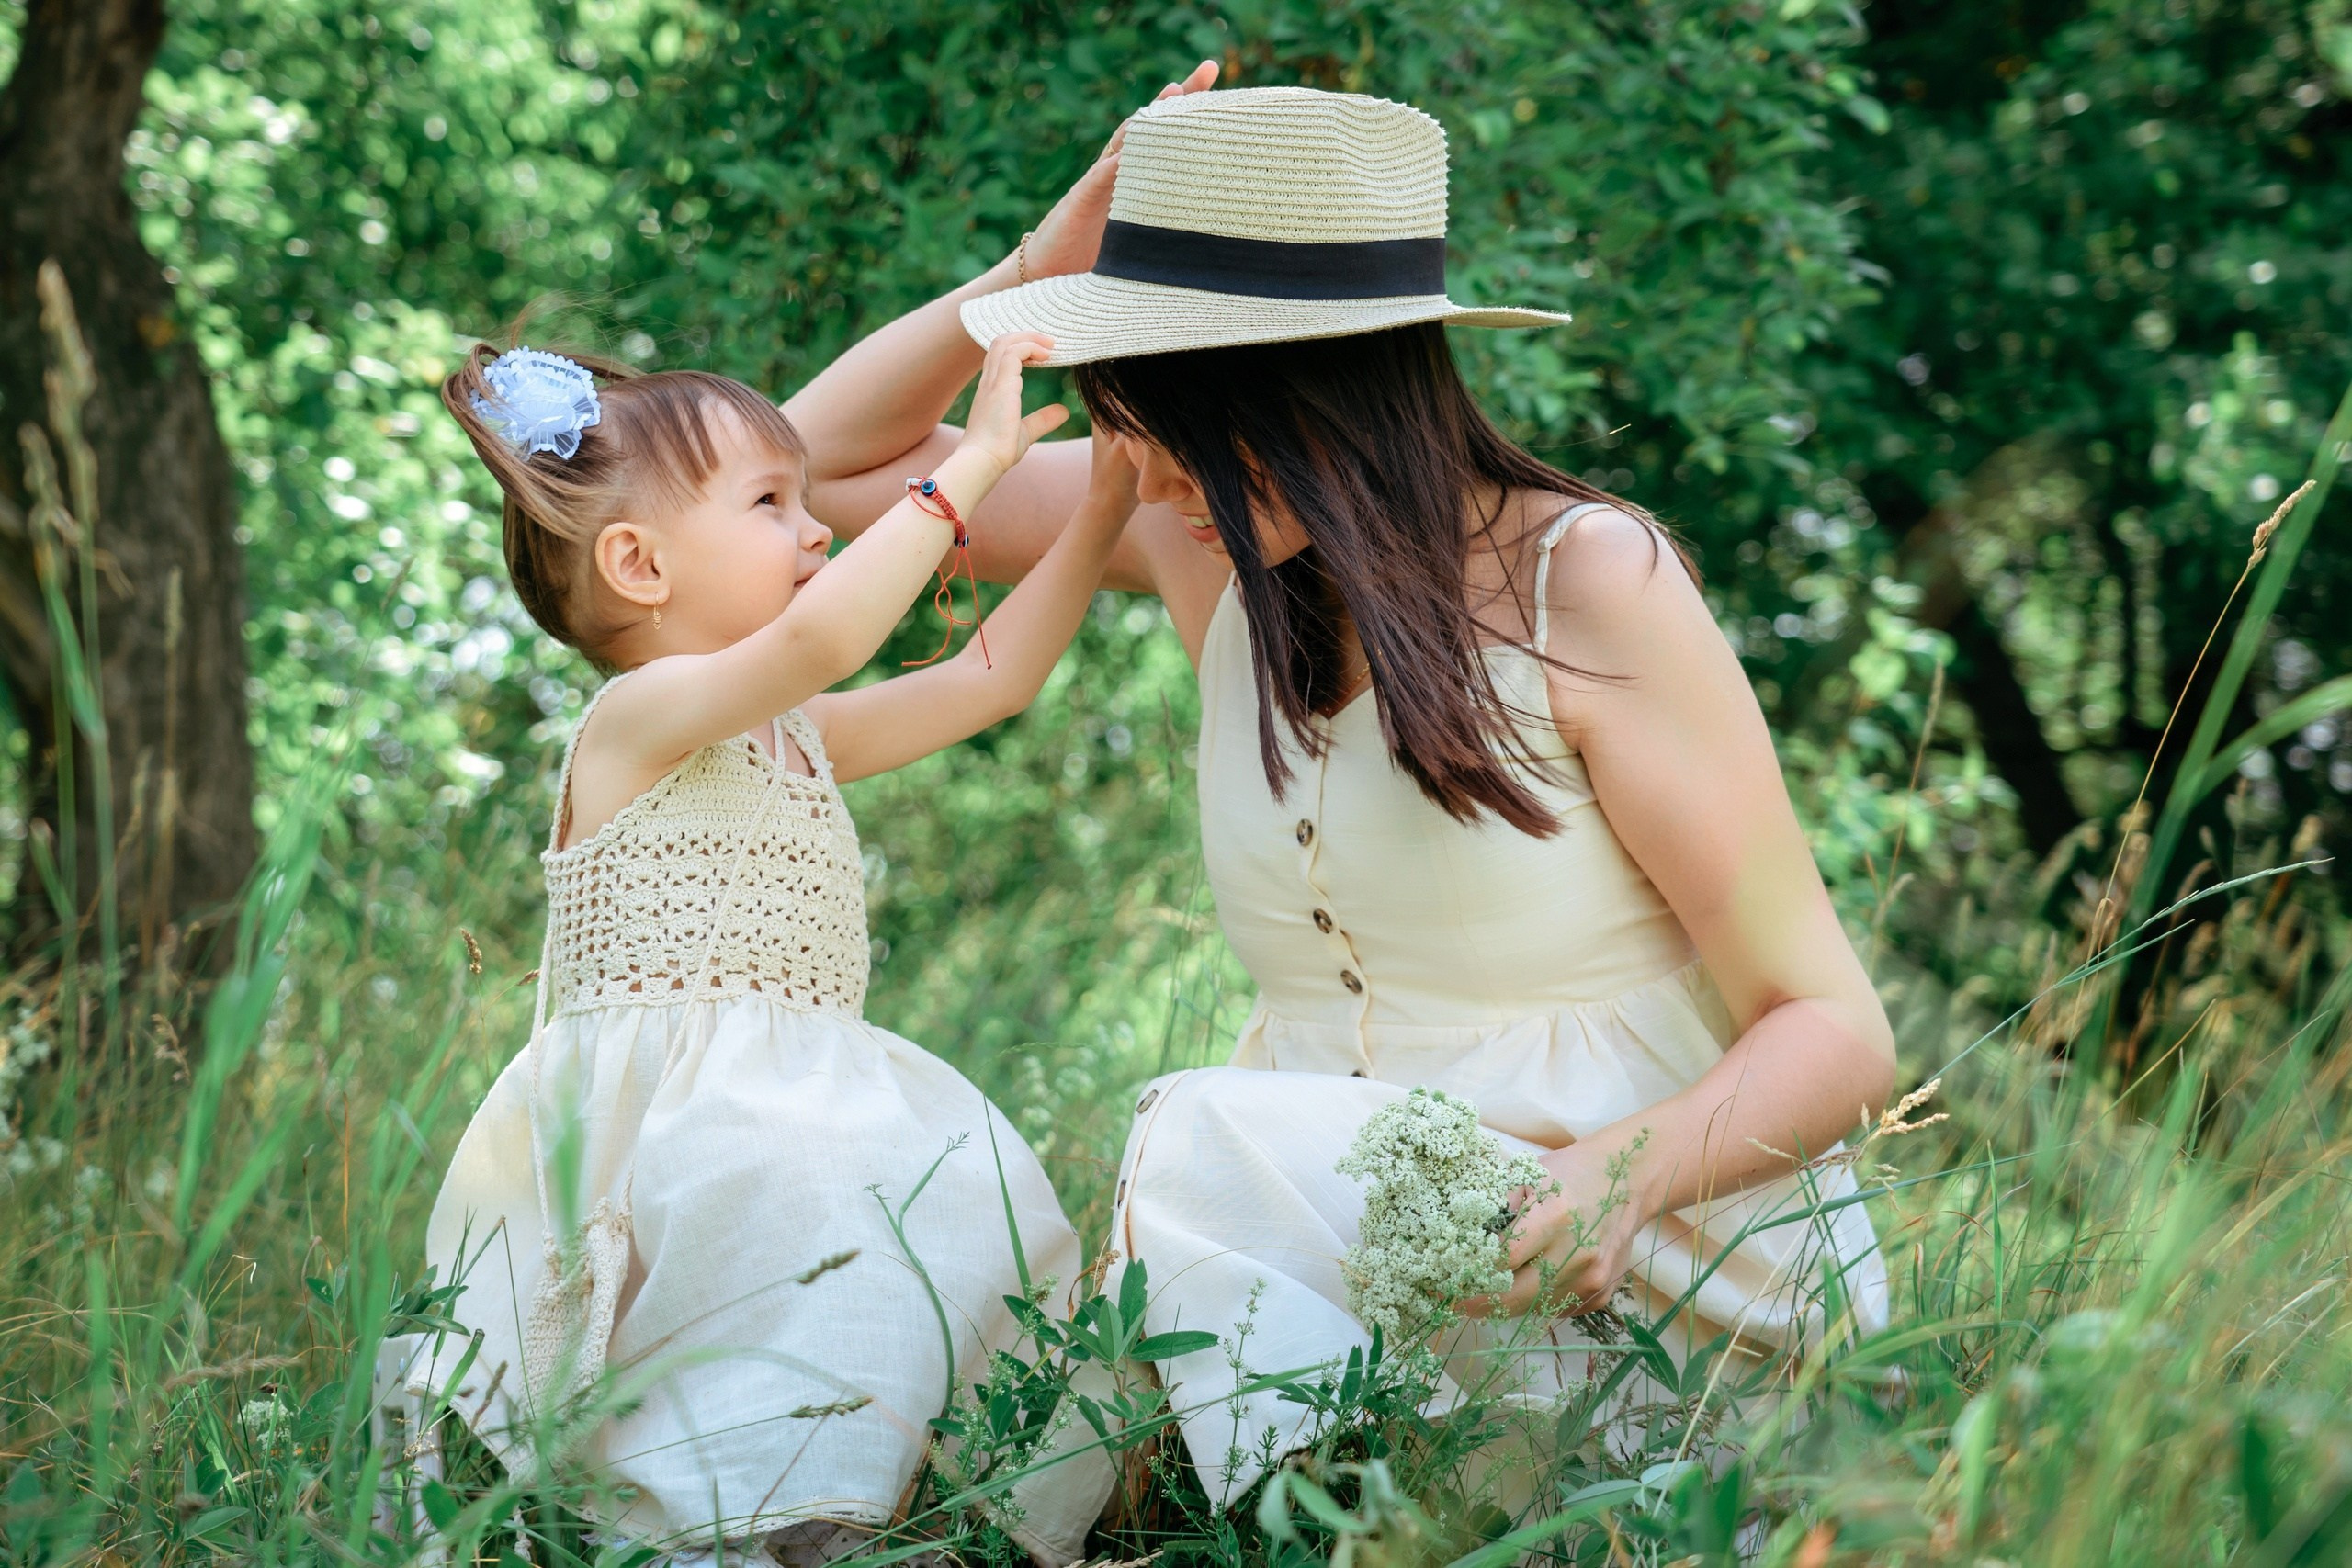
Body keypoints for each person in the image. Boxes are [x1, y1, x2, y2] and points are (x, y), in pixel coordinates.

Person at [797, 85, 1896, 1506]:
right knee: (966, 1229)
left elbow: (1837, 1031)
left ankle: (1223, 1522)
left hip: (1630, 1281)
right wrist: (1029, 273)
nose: (1155, 472)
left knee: (1190, 1137)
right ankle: (1262, 1515)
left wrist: (1614, 1183)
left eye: (1185, 422)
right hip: (1339, 1267)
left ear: (1321, 394)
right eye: (1132, 419)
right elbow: (816, 468)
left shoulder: (1590, 581)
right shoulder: (1204, 534)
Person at [422, 329, 1136, 1563]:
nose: (816, 534)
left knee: (950, 1200)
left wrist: (1111, 496)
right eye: (771, 504)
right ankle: (766, 1515)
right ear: (638, 565)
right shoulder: (637, 719)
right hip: (682, 1115)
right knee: (799, 1201)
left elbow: (991, 676)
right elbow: (823, 641)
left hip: (805, 1081)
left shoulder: (792, 732)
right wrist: (972, 470)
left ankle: (879, 1508)